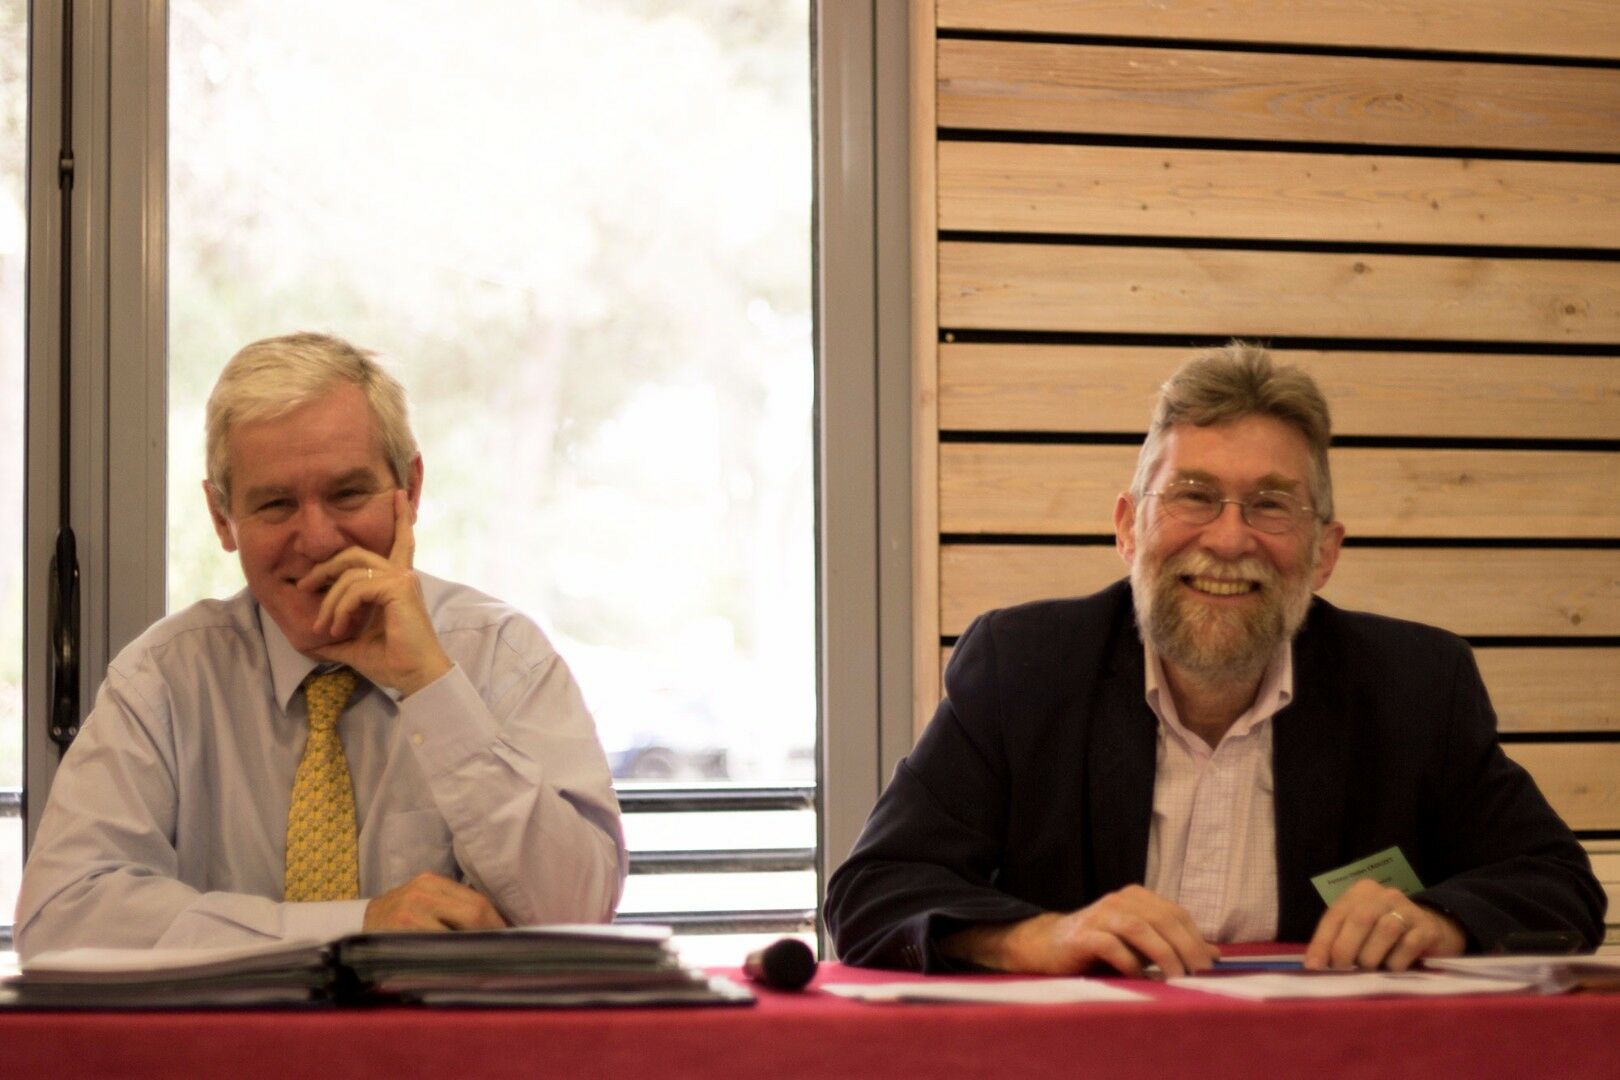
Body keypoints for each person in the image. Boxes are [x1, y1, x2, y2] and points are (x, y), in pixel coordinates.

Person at [826, 343, 1603, 977]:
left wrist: (1438, 920)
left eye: (1271, 504)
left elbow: (1559, 886)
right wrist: (1041, 937)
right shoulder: (1021, 669)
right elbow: (875, 891)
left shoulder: (1415, 687)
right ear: (1128, 528)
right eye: (1193, 495)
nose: (1229, 539)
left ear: (1324, 553)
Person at [15, 332, 626, 957]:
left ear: (411, 489)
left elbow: (578, 914)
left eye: (348, 494)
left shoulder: (502, 657)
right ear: (222, 518)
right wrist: (356, 926)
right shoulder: (164, 680)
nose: (317, 539)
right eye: (276, 504)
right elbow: (60, 921)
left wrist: (433, 689)